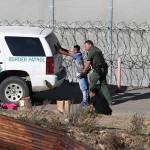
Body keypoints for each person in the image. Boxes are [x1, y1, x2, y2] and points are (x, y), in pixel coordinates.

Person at [79, 40, 112, 105]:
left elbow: (88, 63)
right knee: (103, 85)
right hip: (104, 69)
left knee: (92, 86)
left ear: (90, 45)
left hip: (98, 70)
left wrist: (83, 72)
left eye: (85, 46)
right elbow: (93, 62)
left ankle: (91, 102)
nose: (85, 48)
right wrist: (87, 71)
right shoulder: (97, 49)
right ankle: (109, 101)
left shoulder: (91, 51)